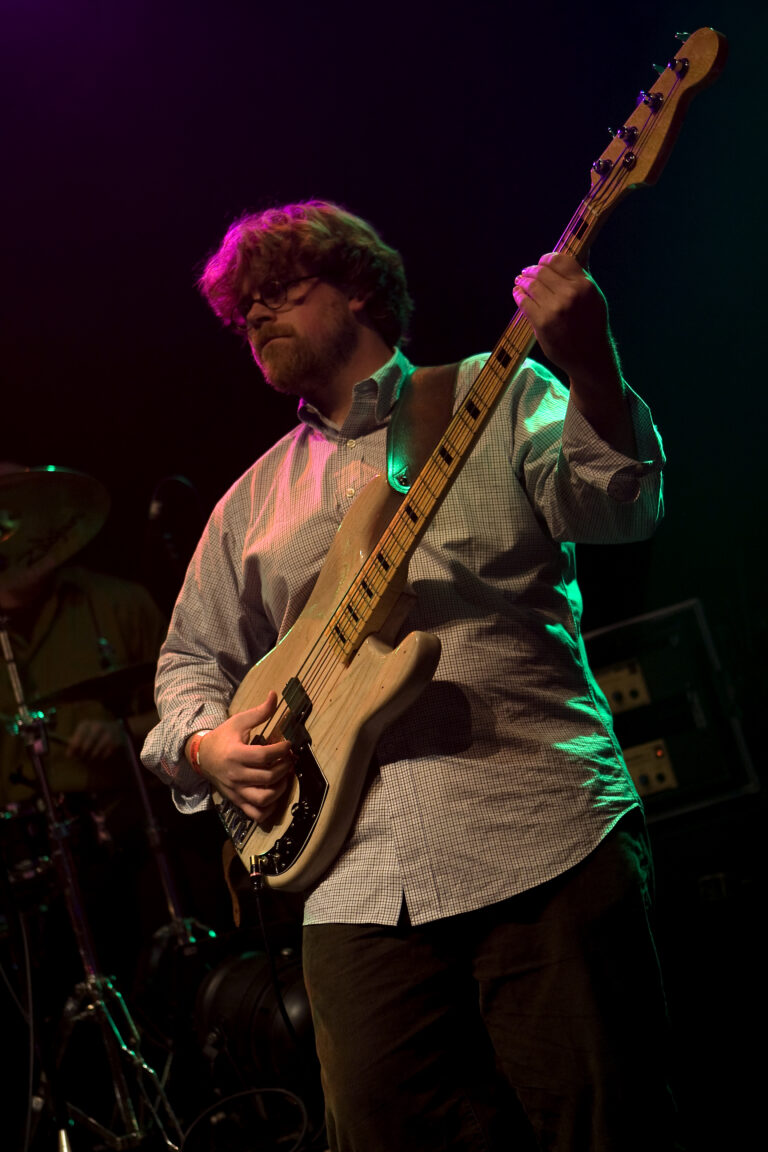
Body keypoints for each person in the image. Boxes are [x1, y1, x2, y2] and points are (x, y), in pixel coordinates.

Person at [142, 200, 677, 1151]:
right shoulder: (249, 503)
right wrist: (206, 743)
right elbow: (188, 661)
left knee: (603, 1123)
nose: (255, 318)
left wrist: (590, 362)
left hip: (535, 832)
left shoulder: (491, 391)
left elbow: (619, 503)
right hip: (352, 881)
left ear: (358, 287)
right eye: (241, 313)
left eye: (279, 293)